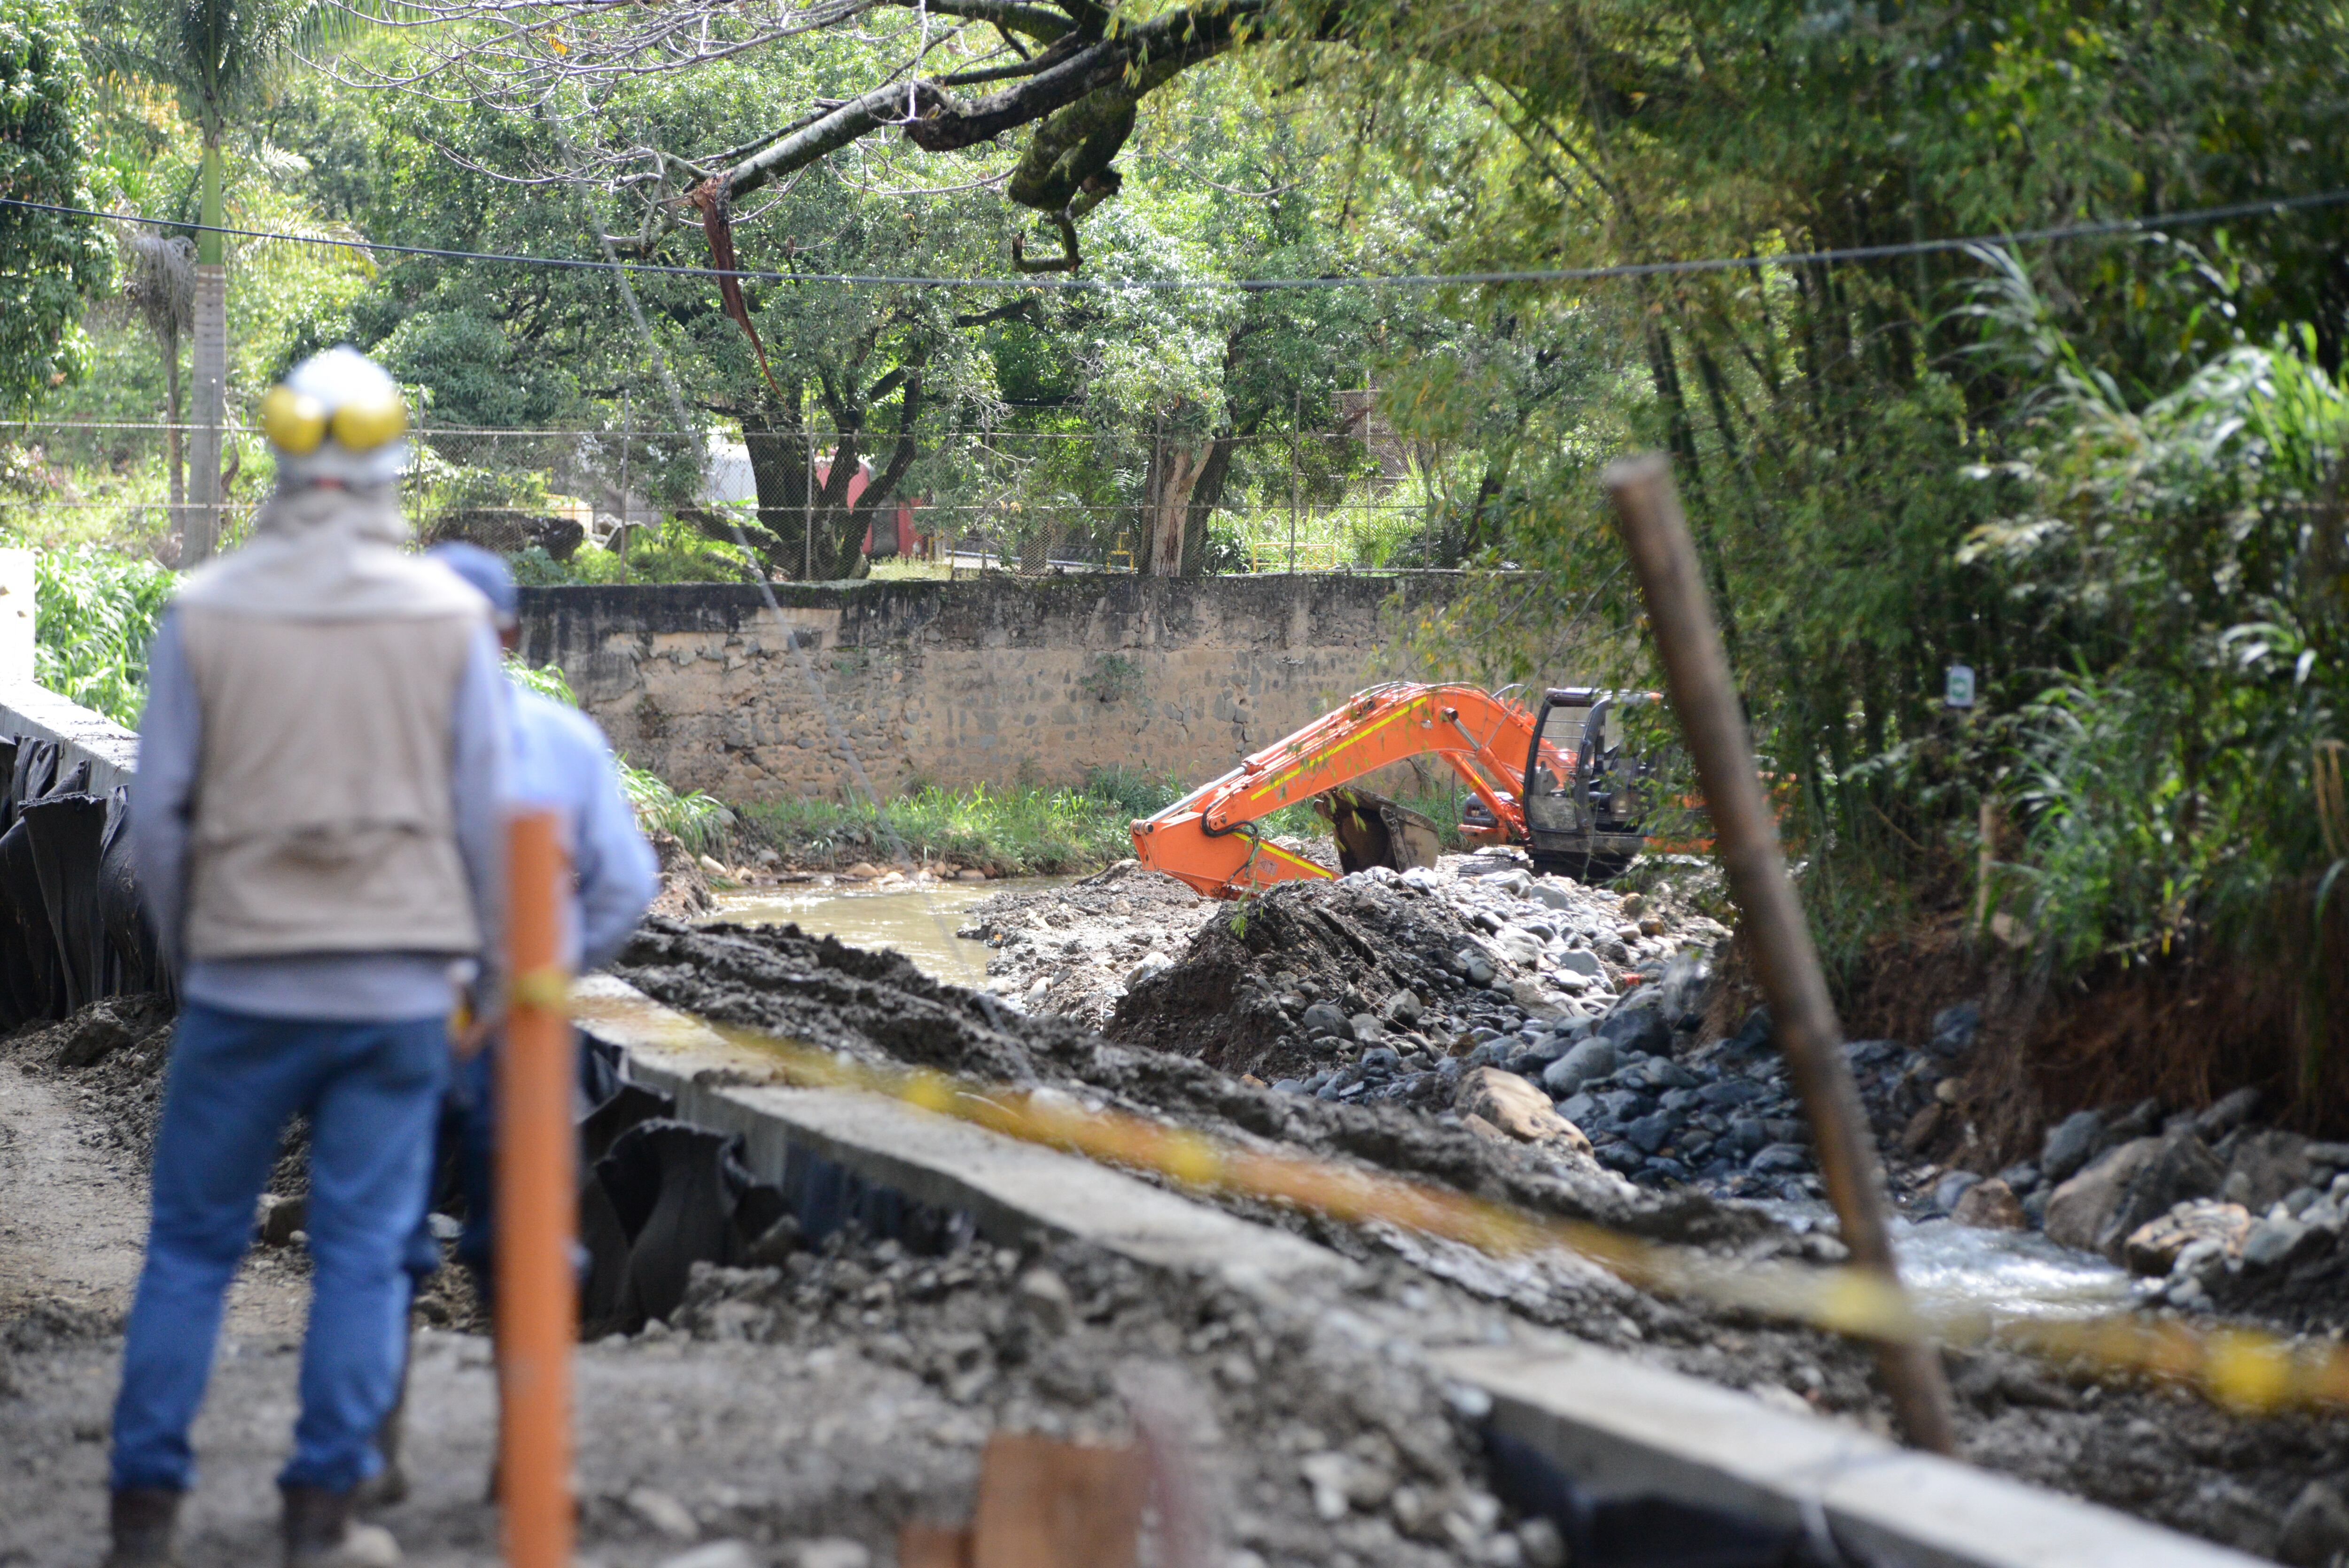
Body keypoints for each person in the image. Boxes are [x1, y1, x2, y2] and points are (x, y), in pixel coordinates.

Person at [109, 347, 509, 1568]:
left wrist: (200, 956)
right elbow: (490, 821)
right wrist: (482, 978)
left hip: (244, 981)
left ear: (277, 454)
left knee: (189, 1247)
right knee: (359, 1252)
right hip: (398, 992)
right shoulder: (447, 617)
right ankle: (320, 1515)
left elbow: (158, 822)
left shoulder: (205, 609)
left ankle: (144, 1517)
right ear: (395, 463)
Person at [359, 542, 655, 1504]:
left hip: (389, 1025)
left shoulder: (366, 739)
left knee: (379, 1237)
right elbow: (623, 889)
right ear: (513, 635)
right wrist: (545, 974)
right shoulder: (559, 739)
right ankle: (526, 1460)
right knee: (525, 1240)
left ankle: (370, 1458)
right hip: (519, 1036)